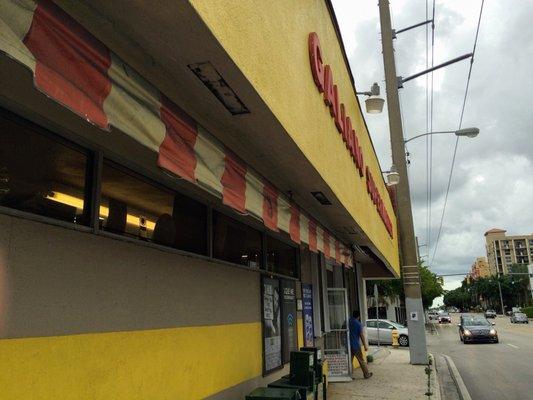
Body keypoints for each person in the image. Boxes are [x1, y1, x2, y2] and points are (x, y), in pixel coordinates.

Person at [349, 310, 372, 379]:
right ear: (358, 316)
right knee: (361, 360)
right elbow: (361, 335)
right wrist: (365, 345)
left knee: (349, 361)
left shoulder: (347, 322)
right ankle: (366, 374)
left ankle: (349, 376)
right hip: (356, 345)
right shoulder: (358, 324)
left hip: (348, 345)